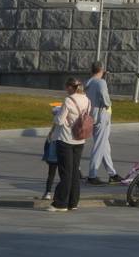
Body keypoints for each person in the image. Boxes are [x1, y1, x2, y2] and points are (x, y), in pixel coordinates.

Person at [50, 77, 92, 212]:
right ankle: (73, 202)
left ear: (70, 87)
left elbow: (59, 121)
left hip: (66, 139)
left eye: (66, 87)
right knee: (74, 171)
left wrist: (55, 112)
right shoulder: (87, 99)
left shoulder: (68, 100)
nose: (65, 89)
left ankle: (60, 203)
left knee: (65, 172)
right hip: (80, 139)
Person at [84, 63, 122, 184]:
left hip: (92, 116)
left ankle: (112, 174)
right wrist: (108, 103)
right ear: (102, 70)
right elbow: (104, 95)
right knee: (99, 146)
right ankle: (92, 175)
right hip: (102, 116)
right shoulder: (101, 82)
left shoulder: (88, 82)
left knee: (105, 145)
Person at [41, 100, 62, 200]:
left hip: (53, 153)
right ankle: (62, 193)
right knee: (64, 174)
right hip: (64, 150)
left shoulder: (53, 130)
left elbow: (47, 144)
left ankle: (48, 192)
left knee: (51, 173)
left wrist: (46, 157)